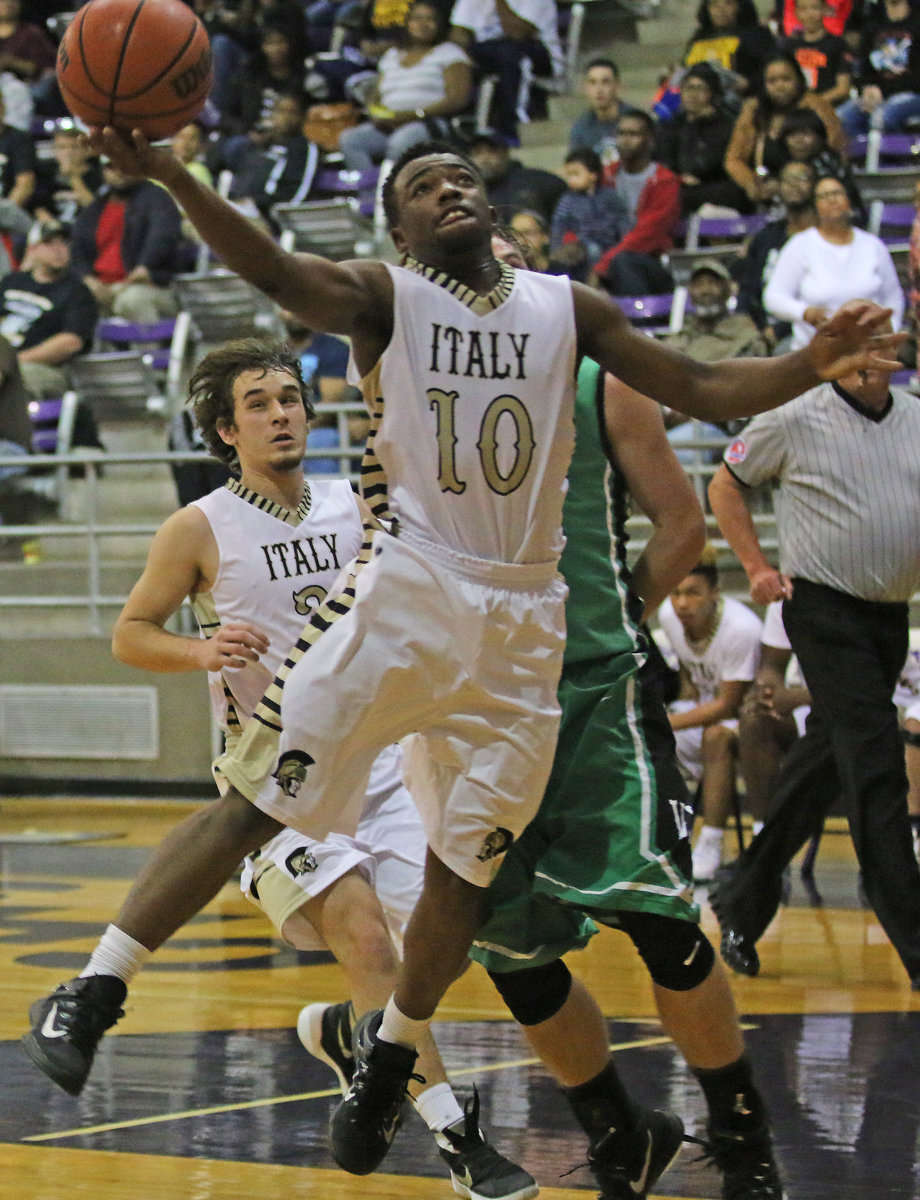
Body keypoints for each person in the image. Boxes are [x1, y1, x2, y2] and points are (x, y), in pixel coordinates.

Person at [20, 126, 901, 1184]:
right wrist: (170, 172)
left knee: (463, 868)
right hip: (411, 587)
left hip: (526, 620)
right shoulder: (383, 296)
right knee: (264, 789)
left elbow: (703, 384)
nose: (450, 190)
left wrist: (807, 363)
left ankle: (389, 1051)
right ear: (397, 227)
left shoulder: (565, 309)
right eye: (423, 186)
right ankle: (97, 987)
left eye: (463, 179)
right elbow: (273, 269)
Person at [99, 336, 537, 1200]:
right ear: (226, 430)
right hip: (274, 789)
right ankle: (458, 1141)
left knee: (433, 960)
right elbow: (129, 634)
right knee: (366, 938)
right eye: (258, 404)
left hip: (383, 770)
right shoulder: (197, 527)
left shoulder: (354, 503)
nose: (281, 414)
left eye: (290, 398)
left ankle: (350, 1032)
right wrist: (201, 649)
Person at [466, 328, 785, 1199]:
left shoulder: (596, 377)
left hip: (596, 686)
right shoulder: (417, 385)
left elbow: (684, 522)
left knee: (658, 920)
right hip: (478, 702)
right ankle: (619, 1131)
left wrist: (613, 614)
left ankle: (741, 1132)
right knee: (510, 949)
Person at [707, 351, 920, 988]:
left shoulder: (913, 417)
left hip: (888, 615)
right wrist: (755, 567)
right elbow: (725, 484)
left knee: (828, 756)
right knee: (876, 763)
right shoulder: (792, 417)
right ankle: (915, 938)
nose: (868, 360)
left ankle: (742, 898)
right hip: (822, 609)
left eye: (879, 343)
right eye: (854, 345)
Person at [656, 549, 764, 883]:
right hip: (703, 714)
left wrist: (667, 722)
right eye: (675, 592)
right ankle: (657, 838)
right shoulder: (668, 617)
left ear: (715, 593)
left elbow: (728, 705)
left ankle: (711, 842)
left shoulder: (741, 629)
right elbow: (690, 676)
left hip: (748, 724)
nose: (681, 603)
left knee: (714, 736)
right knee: (639, 737)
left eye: (692, 592)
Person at [764, 173, 904, 349]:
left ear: (848, 200)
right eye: (824, 196)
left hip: (868, 348)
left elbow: (893, 297)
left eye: (837, 193)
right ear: (815, 206)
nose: (832, 200)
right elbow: (773, 297)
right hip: (814, 352)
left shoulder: (873, 245)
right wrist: (804, 312)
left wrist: (890, 332)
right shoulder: (800, 245)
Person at [339, 0, 472, 170]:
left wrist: (413, 114)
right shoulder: (392, 55)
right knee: (351, 140)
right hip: (390, 124)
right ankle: (369, 193)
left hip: (429, 123)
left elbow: (457, 99)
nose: (423, 24)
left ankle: (395, 193)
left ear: (439, 24)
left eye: (430, 19)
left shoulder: (450, 53)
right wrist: (377, 115)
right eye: (417, 19)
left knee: (401, 141)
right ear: (407, 24)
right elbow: (377, 97)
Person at [724, 51, 843, 209]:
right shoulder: (753, 110)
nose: (780, 86)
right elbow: (733, 160)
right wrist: (752, 184)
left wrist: (789, 185)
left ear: (799, 80)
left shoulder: (817, 106)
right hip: (766, 193)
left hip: (810, 190)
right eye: (772, 81)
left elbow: (834, 150)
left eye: (786, 79)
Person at [70, 159, 184, 323]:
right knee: (75, 297)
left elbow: (163, 237)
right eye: (111, 167)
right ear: (103, 170)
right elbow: (77, 250)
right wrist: (89, 280)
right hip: (102, 286)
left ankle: (148, 349)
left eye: (125, 165)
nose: (119, 171)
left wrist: (143, 268)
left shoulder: (157, 198)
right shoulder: (96, 207)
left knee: (132, 300)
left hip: (150, 285)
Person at [0, 219, 99, 400]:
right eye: (49, 243)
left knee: (17, 379)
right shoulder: (11, 282)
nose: (59, 249)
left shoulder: (78, 292)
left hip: (43, 368)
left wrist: (12, 362)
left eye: (63, 243)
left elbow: (71, 342)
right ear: (32, 250)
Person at [591, 111, 681, 297]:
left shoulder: (664, 181)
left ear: (650, 140)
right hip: (607, 253)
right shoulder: (605, 176)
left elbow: (647, 235)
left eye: (633, 134)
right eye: (621, 134)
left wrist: (602, 266)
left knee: (623, 262)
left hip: (649, 260)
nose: (625, 140)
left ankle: (636, 324)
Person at [449, 0, 562, 145]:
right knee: (451, 58)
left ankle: (513, 127)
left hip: (537, 54)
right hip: (490, 52)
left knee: (508, 55)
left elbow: (518, 34)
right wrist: (462, 55)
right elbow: (458, 33)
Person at [735, 159, 817, 345]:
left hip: (803, 330)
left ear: (815, 186)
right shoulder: (766, 238)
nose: (794, 185)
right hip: (759, 330)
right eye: (787, 180)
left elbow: (825, 299)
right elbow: (748, 287)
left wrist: (778, 331)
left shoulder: (823, 239)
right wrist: (743, 322)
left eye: (801, 178)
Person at [655, 62, 753, 217]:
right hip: (681, 187)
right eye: (688, 88)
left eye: (699, 88)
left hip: (716, 188)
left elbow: (723, 166)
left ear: (711, 93)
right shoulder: (671, 126)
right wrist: (679, 178)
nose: (693, 94)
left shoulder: (728, 126)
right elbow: (664, 162)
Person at [227, 90, 321, 230]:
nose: (284, 117)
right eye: (280, 111)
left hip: (269, 220)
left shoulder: (303, 148)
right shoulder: (259, 145)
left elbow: (295, 196)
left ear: (301, 118)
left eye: (291, 112)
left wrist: (255, 204)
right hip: (239, 210)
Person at [836, 0, 920, 137]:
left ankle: (891, 158)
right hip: (879, 95)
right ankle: (862, 157)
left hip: (914, 95)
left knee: (882, 117)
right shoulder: (873, 19)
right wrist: (868, 87)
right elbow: (863, 66)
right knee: (842, 117)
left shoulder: (916, 19)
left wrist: (884, 93)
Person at [548, 147, 629, 281]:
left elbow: (622, 220)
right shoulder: (568, 200)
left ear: (593, 175)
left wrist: (625, 242)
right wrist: (556, 251)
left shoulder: (610, 196)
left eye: (575, 174)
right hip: (585, 245)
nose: (571, 179)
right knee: (591, 251)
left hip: (612, 243)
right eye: (568, 175)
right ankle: (593, 279)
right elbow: (559, 225)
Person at [775, 107, 865, 226]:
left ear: (819, 137)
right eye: (792, 135)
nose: (799, 140)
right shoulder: (781, 164)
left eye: (806, 134)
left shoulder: (832, 165)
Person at [682, 0, 777, 102]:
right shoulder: (699, 37)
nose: (721, 10)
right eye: (714, 4)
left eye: (728, 3)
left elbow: (772, 70)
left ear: (740, 6)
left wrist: (749, 84)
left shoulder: (757, 35)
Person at [466, 128, 566, 223]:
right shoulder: (469, 192)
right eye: (477, 152)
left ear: (506, 153)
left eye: (492, 151)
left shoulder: (538, 181)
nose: (484, 158)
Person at [567, 57, 639, 173]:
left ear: (616, 85)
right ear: (585, 88)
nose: (599, 89)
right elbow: (576, 169)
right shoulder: (581, 128)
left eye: (605, 82)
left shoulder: (636, 121)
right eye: (592, 83)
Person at [779, 0, 853, 104]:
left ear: (825, 9)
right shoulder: (787, 46)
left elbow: (843, 88)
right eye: (803, 9)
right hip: (794, 107)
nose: (809, 14)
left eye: (815, 8)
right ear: (796, 12)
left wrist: (813, 103)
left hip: (829, 107)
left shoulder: (838, 45)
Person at [30, 124, 104, 227]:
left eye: (74, 147)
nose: (68, 152)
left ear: (87, 150)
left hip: (85, 228)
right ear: (54, 151)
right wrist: (53, 227)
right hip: (51, 228)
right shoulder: (45, 173)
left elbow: (95, 210)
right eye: (62, 147)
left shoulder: (98, 175)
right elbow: (37, 206)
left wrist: (73, 177)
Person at [0, 89, 35, 210]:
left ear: (2, 108)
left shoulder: (18, 139)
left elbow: (25, 184)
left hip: (8, 215)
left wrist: (5, 215)